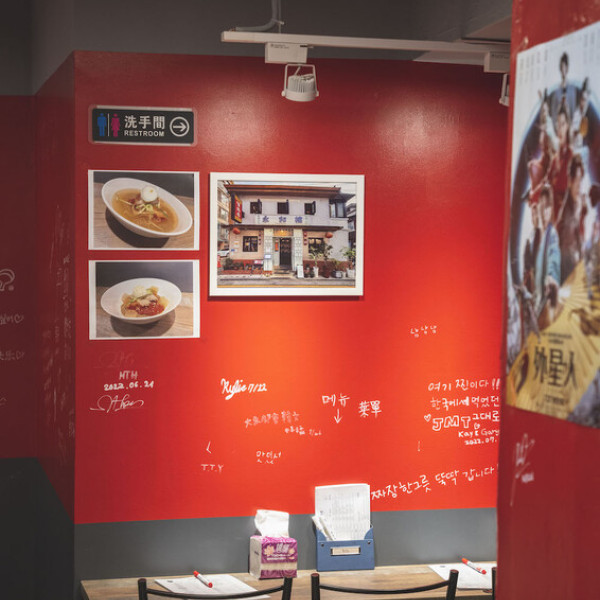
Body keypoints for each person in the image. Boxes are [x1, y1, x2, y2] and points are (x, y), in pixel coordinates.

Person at [535, 184, 561, 328]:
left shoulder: (552, 234)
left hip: (546, 300)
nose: (544, 211)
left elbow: (554, 256)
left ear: (551, 209)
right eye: (542, 206)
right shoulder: (541, 235)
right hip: (538, 301)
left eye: (547, 207)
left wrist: (551, 277)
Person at [556, 154, 586, 282]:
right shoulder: (567, 215)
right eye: (577, 180)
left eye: (581, 180)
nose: (579, 186)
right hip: (569, 277)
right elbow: (567, 256)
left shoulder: (576, 205)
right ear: (570, 181)